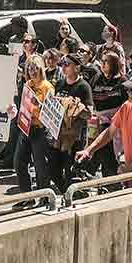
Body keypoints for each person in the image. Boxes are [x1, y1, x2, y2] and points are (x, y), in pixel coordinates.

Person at [75, 73, 132, 185]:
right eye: (127, 90)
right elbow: (109, 132)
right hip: (131, 177)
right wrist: (88, 150)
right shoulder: (126, 107)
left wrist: (131, 167)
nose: (128, 93)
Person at [47, 54, 93, 191]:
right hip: (58, 135)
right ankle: (65, 192)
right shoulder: (60, 83)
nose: (63, 67)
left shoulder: (84, 87)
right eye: (62, 64)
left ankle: (72, 197)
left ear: (77, 67)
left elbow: (89, 113)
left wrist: (74, 107)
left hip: (74, 137)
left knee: (70, 172)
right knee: (53, 170)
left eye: (67, 64)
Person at [12, 55, 53, 193]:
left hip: (40, 130)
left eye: (35, 68)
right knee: (18, 162)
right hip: (26, 128)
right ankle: (26, 195)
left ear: (41, 68)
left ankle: (44, 196)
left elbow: (50, 113)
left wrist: (39, 105)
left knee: (40, 166)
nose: (32, 71)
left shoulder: (47, 87)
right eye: (29, 68)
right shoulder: (27, 84)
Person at [86, 51, 128, 178]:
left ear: (114, 64)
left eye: (106, 62)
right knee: (99, 151)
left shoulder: (122, 81)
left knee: (109, 158)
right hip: (97, 123)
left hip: (115, 126)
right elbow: (90, 97)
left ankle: (105, 180)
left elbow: (127, 105)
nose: (102, 64)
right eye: (102, 61)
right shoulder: (97, 78)